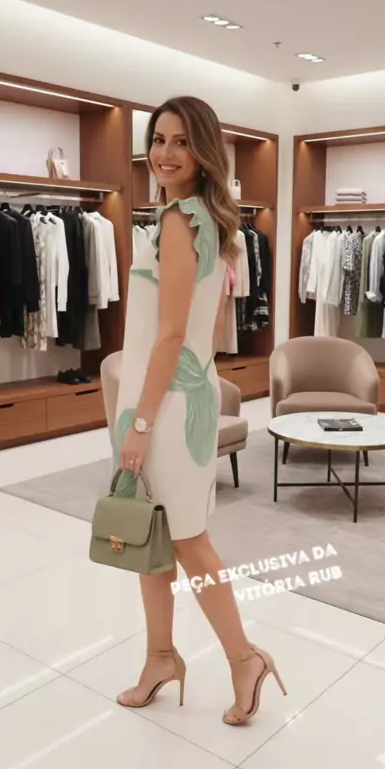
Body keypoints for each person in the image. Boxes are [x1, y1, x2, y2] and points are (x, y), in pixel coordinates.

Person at [113, 96, 286, 725]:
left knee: (186, 538)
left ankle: (244, 658)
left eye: (181, 141)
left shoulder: (180, 220)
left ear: (204, 151)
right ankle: (160, 656)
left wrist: (140, 421)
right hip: (177, 394)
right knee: (151, 534)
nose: (165, 153)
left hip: (163, 405)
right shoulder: (205, 220)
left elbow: (169, 335)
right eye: (158, 139)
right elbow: (206, 332)